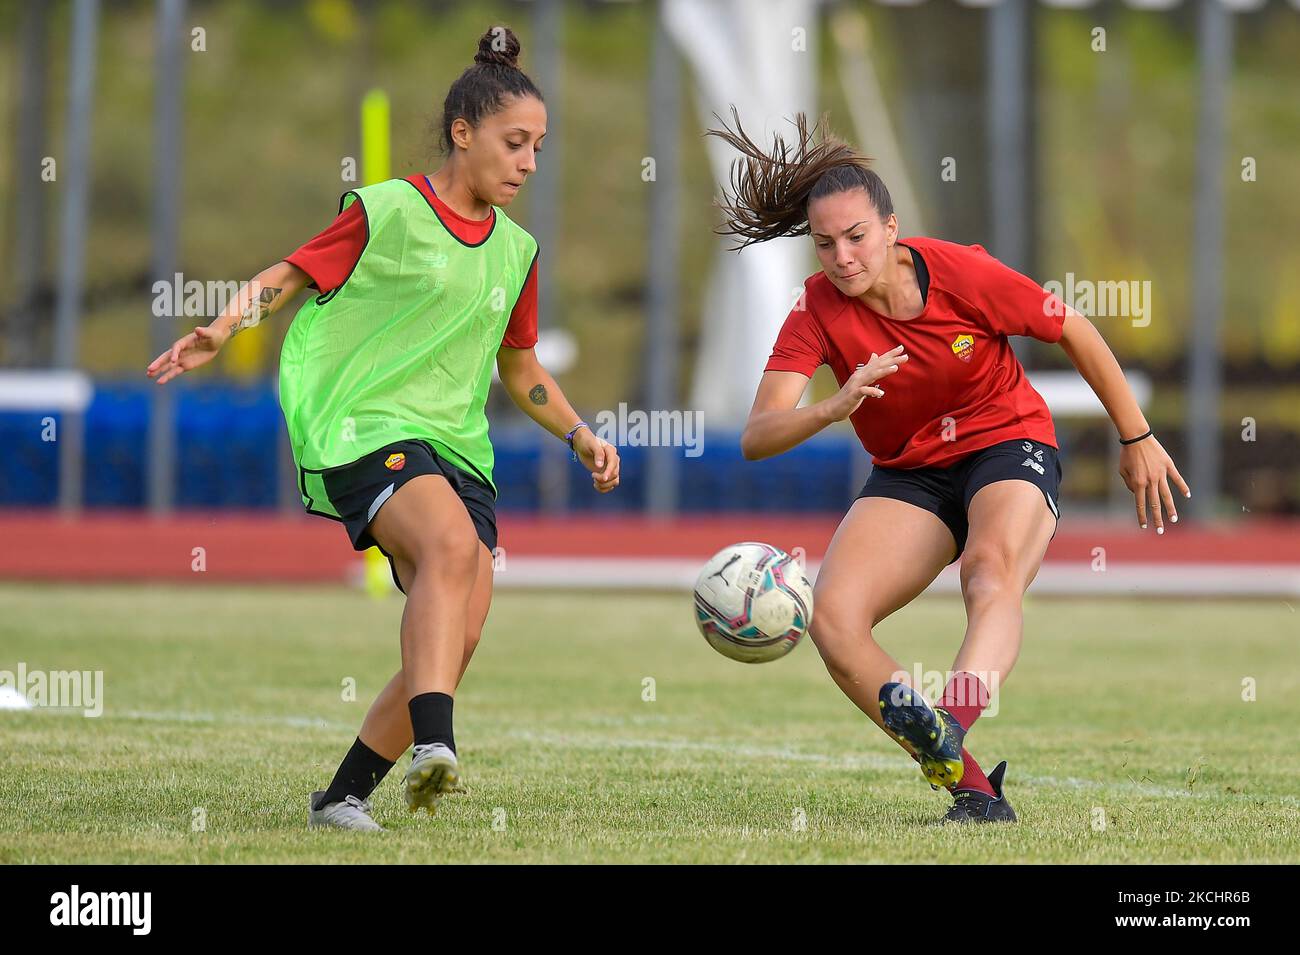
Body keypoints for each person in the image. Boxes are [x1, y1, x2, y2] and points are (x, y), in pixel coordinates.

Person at [147, 25, 620, 831]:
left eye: (539, 147)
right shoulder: (389, 209)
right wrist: (224, 328)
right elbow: (289, 274)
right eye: (514, 143)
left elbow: (522, 368)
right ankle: (438, 745)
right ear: (462, 133)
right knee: (450, 548)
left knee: (457, 636)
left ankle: (342, 795)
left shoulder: (518, 252)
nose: (528, 163)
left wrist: (579, 433)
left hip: (458, 445)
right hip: (363, 423)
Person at [710, 111, 1189, 824]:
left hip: (1008, 441)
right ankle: (972, 788)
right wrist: (831, 406)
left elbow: (1074, 327)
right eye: (825, 244)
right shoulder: (813, 311)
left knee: (989, 572)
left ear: (892, 227)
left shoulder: (962, 271)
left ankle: (950, 724)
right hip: (912, 474)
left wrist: (1137, 435)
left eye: (857, 236)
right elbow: (758, 434)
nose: (842, 257)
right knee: (835, 618)